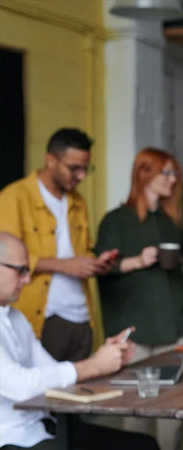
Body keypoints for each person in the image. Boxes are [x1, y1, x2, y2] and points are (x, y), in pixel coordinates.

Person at [0, 232, 159, 450]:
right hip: (14, 440)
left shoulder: (16, 318)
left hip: (47, 428)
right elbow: (21, 386)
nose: (27, 279)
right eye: (21, 271)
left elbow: (55, 372)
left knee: (144, 445)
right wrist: (94, 365)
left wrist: (105, 358)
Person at [93, 148, 183, 450]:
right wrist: (138, 260)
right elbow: (100, 267)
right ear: (144, 173)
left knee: (173, 408)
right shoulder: (116, 220)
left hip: (173, 326)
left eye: (175, 173)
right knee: (136, 408)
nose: (173, 180)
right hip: (135, 328)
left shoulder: (171, 220)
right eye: (166, 172)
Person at [0, 128, 115, 362]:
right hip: (43, 317)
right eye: (74, 168)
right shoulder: (14, 197)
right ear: (50, 160)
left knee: (82, 391)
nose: (81, 176)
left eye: (86, 168)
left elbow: (80, 251)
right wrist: (65, 266)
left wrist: (95, 263)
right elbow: (6, 260)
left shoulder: (78, 202)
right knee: (45, 393)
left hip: (82, 317)